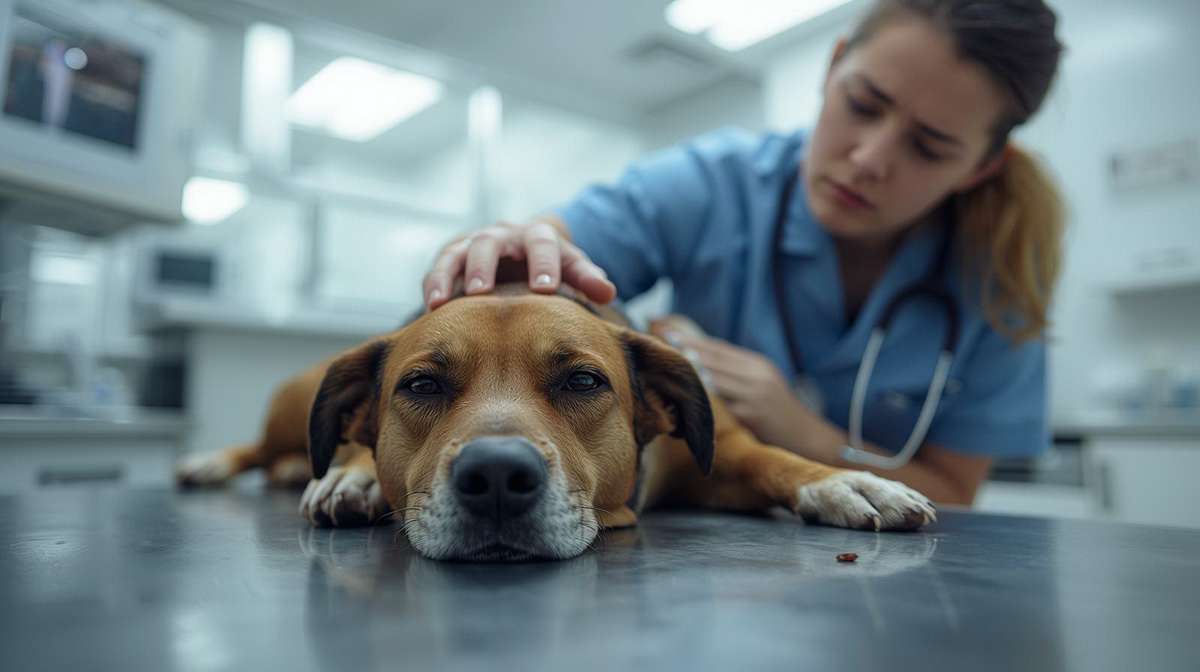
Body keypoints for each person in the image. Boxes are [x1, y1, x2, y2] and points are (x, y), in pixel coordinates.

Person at [421, 0, 1066, 506]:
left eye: (928, 147)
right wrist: (502, 247)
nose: (869, 159)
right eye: (863, 104)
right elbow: (530, 255)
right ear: (833, 65)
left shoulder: (1001, 283)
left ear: (981, 166)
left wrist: (797, 429)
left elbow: (955, 496)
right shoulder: (711, 184)